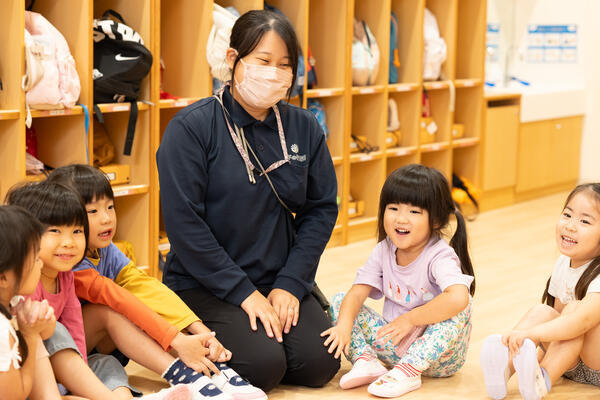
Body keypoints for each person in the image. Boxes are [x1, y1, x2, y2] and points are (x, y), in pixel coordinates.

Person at [156, 9, 339, 392]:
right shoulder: (191, 128)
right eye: (263, 61)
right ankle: (189, 338)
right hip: (205, 283)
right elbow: (185, 226)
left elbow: (320, 209)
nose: (274, 73)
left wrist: (290, 284)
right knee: (263, 366)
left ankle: (269, 330)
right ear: (232, 59)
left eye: (285, 64)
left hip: (277, 277)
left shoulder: (303, 127)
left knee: (321, 363)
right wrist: (245, 294)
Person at [47, 163, 266, 399]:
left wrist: (199, 331)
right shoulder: (72, 264)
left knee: (143, 301)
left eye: (110, 207)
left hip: (93, 351)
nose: (106, 218)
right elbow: (117, 298)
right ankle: (183, 373)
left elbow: (145, 287)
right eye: (93, 212)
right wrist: (177, 340)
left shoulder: (106, 249)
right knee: (111, 310)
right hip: (61, 356)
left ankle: (209, 370)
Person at [6, 181, 195, 400]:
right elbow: (30, 345)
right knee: (55, 330)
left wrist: (79, 374)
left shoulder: (66, 273)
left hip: (58, 363)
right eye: (55, 231)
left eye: (77, 231)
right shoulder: (24, 281)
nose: (69, 242)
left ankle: (128, 396)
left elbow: (75, 321)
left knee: (106, 363)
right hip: (28, 369)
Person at [322, 164, 476, 398]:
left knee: (462, 304)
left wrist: (410, 319)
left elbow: (457, 298)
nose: (401, 219)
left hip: (439, 360)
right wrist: (343, 325)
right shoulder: (383, 250)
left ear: (435, 221)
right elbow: (356, 294)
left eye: (414, 212)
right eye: (393, 208)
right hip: (393, 347)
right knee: (341, 301)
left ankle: (409, 371)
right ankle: (366, 361)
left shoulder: (439, 255)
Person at [481, 183, 600, 400]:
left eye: (584, 221)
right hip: (571, 364)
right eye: (567, 214)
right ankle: (504, 368)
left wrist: (531, 335)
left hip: (597, 365)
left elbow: (580, 322)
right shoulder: (563, 263)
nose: (570, 226)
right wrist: (531, 355)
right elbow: (555, 321)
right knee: (542, 312)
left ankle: (541, 381)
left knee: (573, 312)